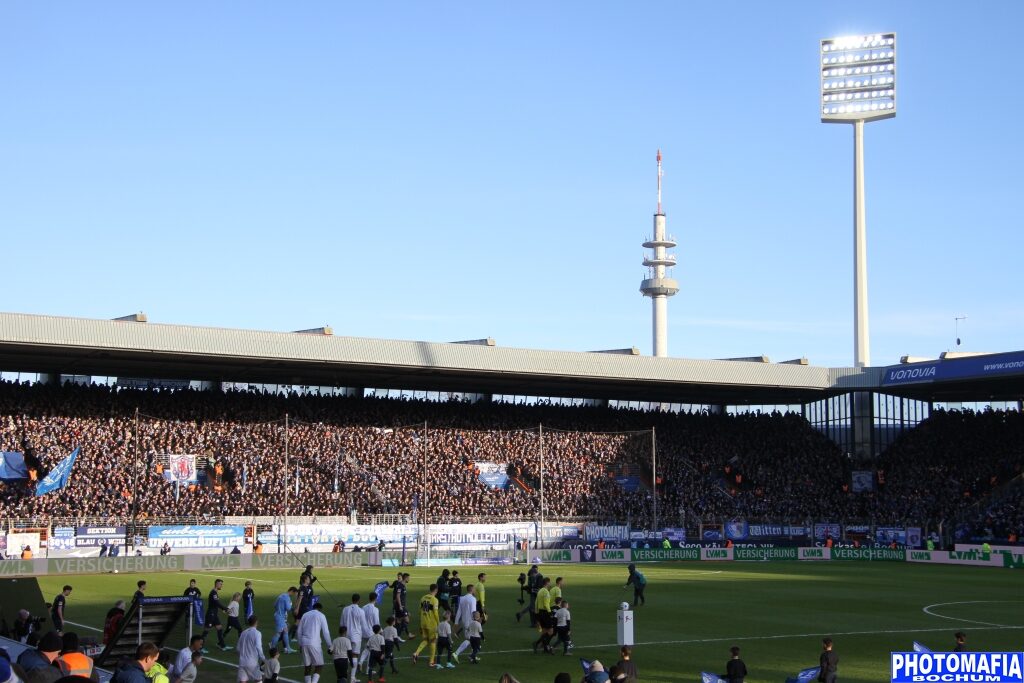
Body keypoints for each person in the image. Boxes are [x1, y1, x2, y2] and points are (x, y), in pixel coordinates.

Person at [297, 603, 331, 683]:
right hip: (314, 643)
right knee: (319, 665)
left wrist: (300, 644)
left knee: (307, 666)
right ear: (320, 609)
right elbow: (325, 632)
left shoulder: (305, 615)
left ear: (313, 607)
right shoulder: (321, 616)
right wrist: (330, 645)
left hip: (304, 643)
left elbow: (299, 631)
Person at [340, 594, 369, 683]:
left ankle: (345, 672)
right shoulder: (360, 611)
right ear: (359, 600)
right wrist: (370, 635)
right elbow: (364, 626)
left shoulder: (345, 609)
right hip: (356, 636)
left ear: (352, 599)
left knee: (345, 655)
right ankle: (352, 678)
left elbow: (341, 623)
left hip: (346, 635)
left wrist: (342, 635)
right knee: (355, 655)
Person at [411, 584, 439, 668]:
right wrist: (438, 623)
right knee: (433, 641)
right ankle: (431, 661)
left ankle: (416, 653)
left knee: (426, 640)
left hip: (423, 622)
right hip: (431, 624)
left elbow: (420, 611)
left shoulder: (423, 598)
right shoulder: (435, 600)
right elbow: (435, 613)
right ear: (436, 590)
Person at [203, 579, 230, 651]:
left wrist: (224, 609)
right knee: (206, 631)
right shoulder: (213, 593)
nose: (221, 585)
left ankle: (222, 645)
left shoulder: (215, 592)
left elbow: (217, 603)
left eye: (221, 584)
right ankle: (200, 648)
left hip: (214, 615)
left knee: (219, 628)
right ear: (216, 584)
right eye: (220, 584)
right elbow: (217, 603)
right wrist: (225, 609)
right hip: (210, 615)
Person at [453, 584, 479, 659]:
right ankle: (456, 653)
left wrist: (456, 622)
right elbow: (473, 611)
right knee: (471, 639)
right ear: (471, 590)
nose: (475, 590)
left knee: (472, 638)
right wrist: (476, 621)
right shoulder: (473, 599)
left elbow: (459, 611)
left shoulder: (462, 598)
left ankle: (472, 655)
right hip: (471, 622)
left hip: (464, 621)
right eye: (474, 589)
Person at [357, 592, 380, 674]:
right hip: (371, 632)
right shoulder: (375, 609)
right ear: (375, 599)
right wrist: (380, 632)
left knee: (366, 648)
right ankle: (368, 670)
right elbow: (376, 622)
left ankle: (360, 662)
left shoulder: (363, 607)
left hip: (363, 632)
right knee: (371, 651)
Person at [236, 616, 264, 683]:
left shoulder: (243, 633)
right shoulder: (257, 633)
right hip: (252, 663)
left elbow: (237, 648)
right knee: (258, 680)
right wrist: (263, 658)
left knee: (243, 681)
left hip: (242, 662)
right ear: (256, 622)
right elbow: (258, 646)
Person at [270, 588, 298, 655]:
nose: (293, 595)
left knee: (285, 631)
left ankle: (288, 648)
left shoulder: (281, 595)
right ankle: (272, 649)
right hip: (280, 618)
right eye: (294, 593)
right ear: (292, 591)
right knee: (278, 634)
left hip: (278, 615)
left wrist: (280, 609)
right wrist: (292, 606)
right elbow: (288, 608)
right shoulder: (287, 597)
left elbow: (274, 605)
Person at [533, 577, 554, 654]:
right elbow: (546, 604)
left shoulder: (540, 591)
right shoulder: (545, 592)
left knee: (544, 631)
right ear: (547, 583)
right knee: (551, 631)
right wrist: (550, 613)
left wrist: (537, 614)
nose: (550, 584)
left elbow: (536, 603)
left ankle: (545, 648)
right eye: (550, 582)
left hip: (540, 612)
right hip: (545, 613)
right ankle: (538, 643)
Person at [390, 573, 410, 638]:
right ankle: (398, 635)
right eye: (408, 578)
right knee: (407, 620)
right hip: (400, 606)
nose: (409, 579)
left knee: (398, 621)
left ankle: (396, 635)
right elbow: (398, 596)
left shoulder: (403, 585)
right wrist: (400, 606)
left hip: (400, 605)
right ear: (406, 578)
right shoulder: (401, 586)